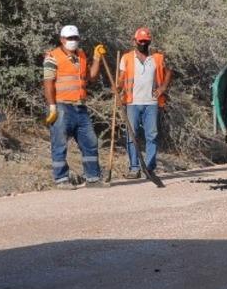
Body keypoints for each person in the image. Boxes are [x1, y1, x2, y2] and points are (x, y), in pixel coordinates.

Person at [43, 24, 106, 188]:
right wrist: (52, 106)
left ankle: (92, 178)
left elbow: (91, 77)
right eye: (70, 38)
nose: (73, 41)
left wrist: (97, 58)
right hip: (62, 106)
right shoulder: (52, 56)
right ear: (62, 39)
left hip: (80, 107)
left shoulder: (82, 56)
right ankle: (61, 179)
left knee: (90, 142)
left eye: (75, 38)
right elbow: (48, 83)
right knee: (60, 143)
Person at [118, 27, 171, 179]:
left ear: (150, 42)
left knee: (152, 135)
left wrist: (163, 87)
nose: (143, 43)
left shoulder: (157, 58)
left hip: (151, 103)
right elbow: (121, 78)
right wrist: (117, 88)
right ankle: (134, 168)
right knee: (131, 136)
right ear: (134, 41)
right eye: (140, 41)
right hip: (132, 102)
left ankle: (150, 168)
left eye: (146, 41)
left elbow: (169, 71)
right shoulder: (126, 58)